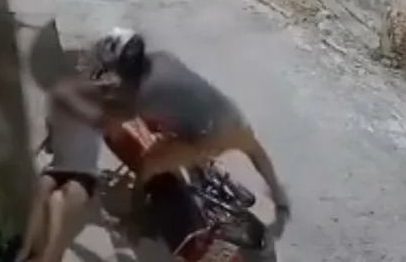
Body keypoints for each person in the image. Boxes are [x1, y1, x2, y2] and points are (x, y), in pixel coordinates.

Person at [51, 28, 291, 240]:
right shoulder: (161, 58)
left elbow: (114, 121)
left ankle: (138, 223)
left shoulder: (142, 95)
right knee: (253, 148)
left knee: (148, 168)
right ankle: (278, 193)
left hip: (208, 137)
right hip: (231, 115)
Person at [15, 78, 108, 262]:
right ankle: (31, 250)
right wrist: (51, 137)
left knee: (63, 197)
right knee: (44, 187)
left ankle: (47, 255)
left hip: (85, 172)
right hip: (59, 167)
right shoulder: (60, 116)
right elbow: (51, 146)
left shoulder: (94, 113)